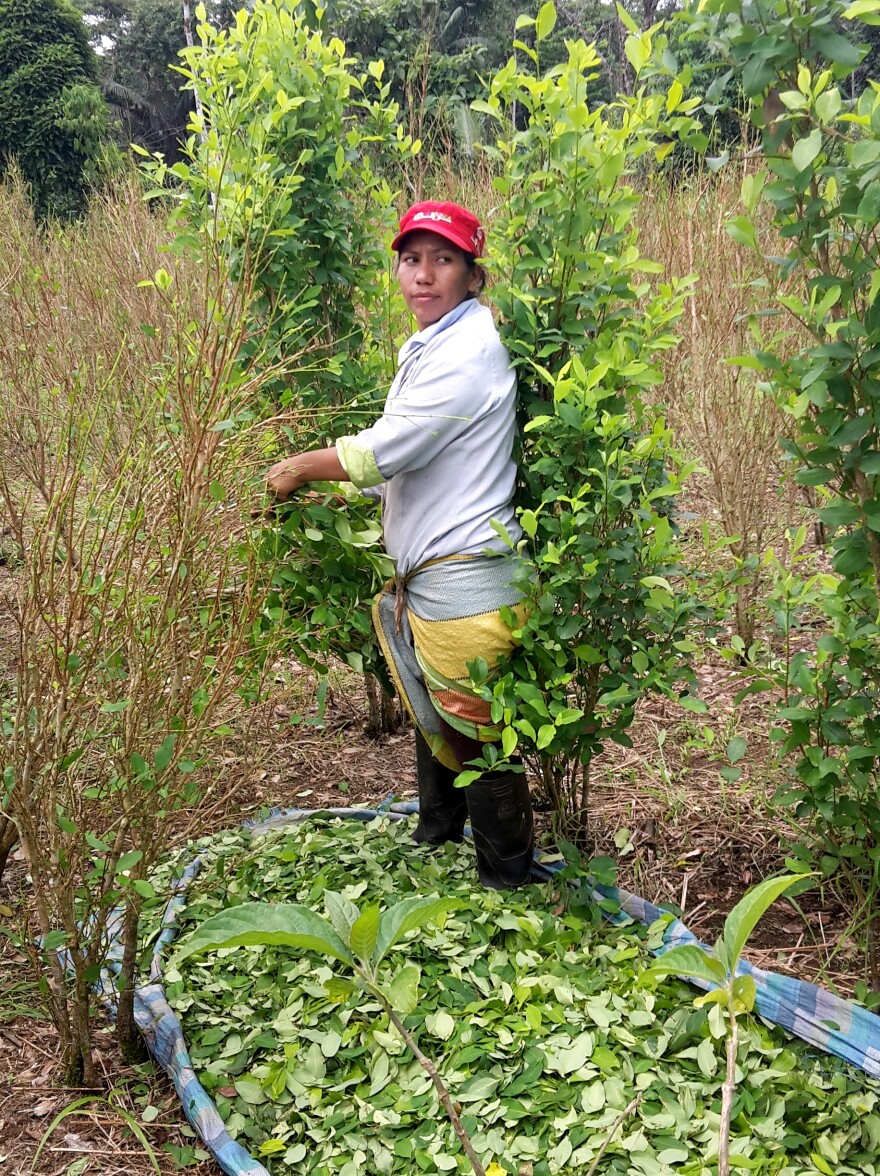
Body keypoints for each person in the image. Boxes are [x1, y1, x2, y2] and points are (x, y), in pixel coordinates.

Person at [267, 200, 534, 889]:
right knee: (435, 707)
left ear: (474, 277)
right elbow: (419, 463)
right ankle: (437, 841)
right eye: (411, 260)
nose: (424, 275)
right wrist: (343, 495)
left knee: (474, 727)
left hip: (467, 584)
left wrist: (301, 467)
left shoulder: (467, 352)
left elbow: (387, 450)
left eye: (443, 260)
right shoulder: (436, 343)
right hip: (441, 581)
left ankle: (506, 882)